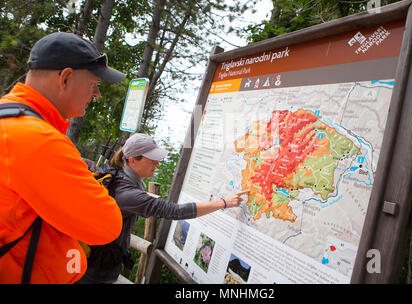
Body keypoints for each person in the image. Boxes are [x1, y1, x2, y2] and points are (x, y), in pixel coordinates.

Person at [0, 32, 127, 283]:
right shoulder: (39, 140)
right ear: (66, 78)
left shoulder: (9, 118)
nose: (96, 95)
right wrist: (93, 184)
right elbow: (107, 225)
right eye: (94, 85)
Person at [77, 133, 249, 284]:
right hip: (95, 270)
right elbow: (176, 211)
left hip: (93, 261)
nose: (157, 164)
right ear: (132, 160)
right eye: (151, 159)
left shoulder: (118, 176)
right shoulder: (127, 193)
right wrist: (224, 203)